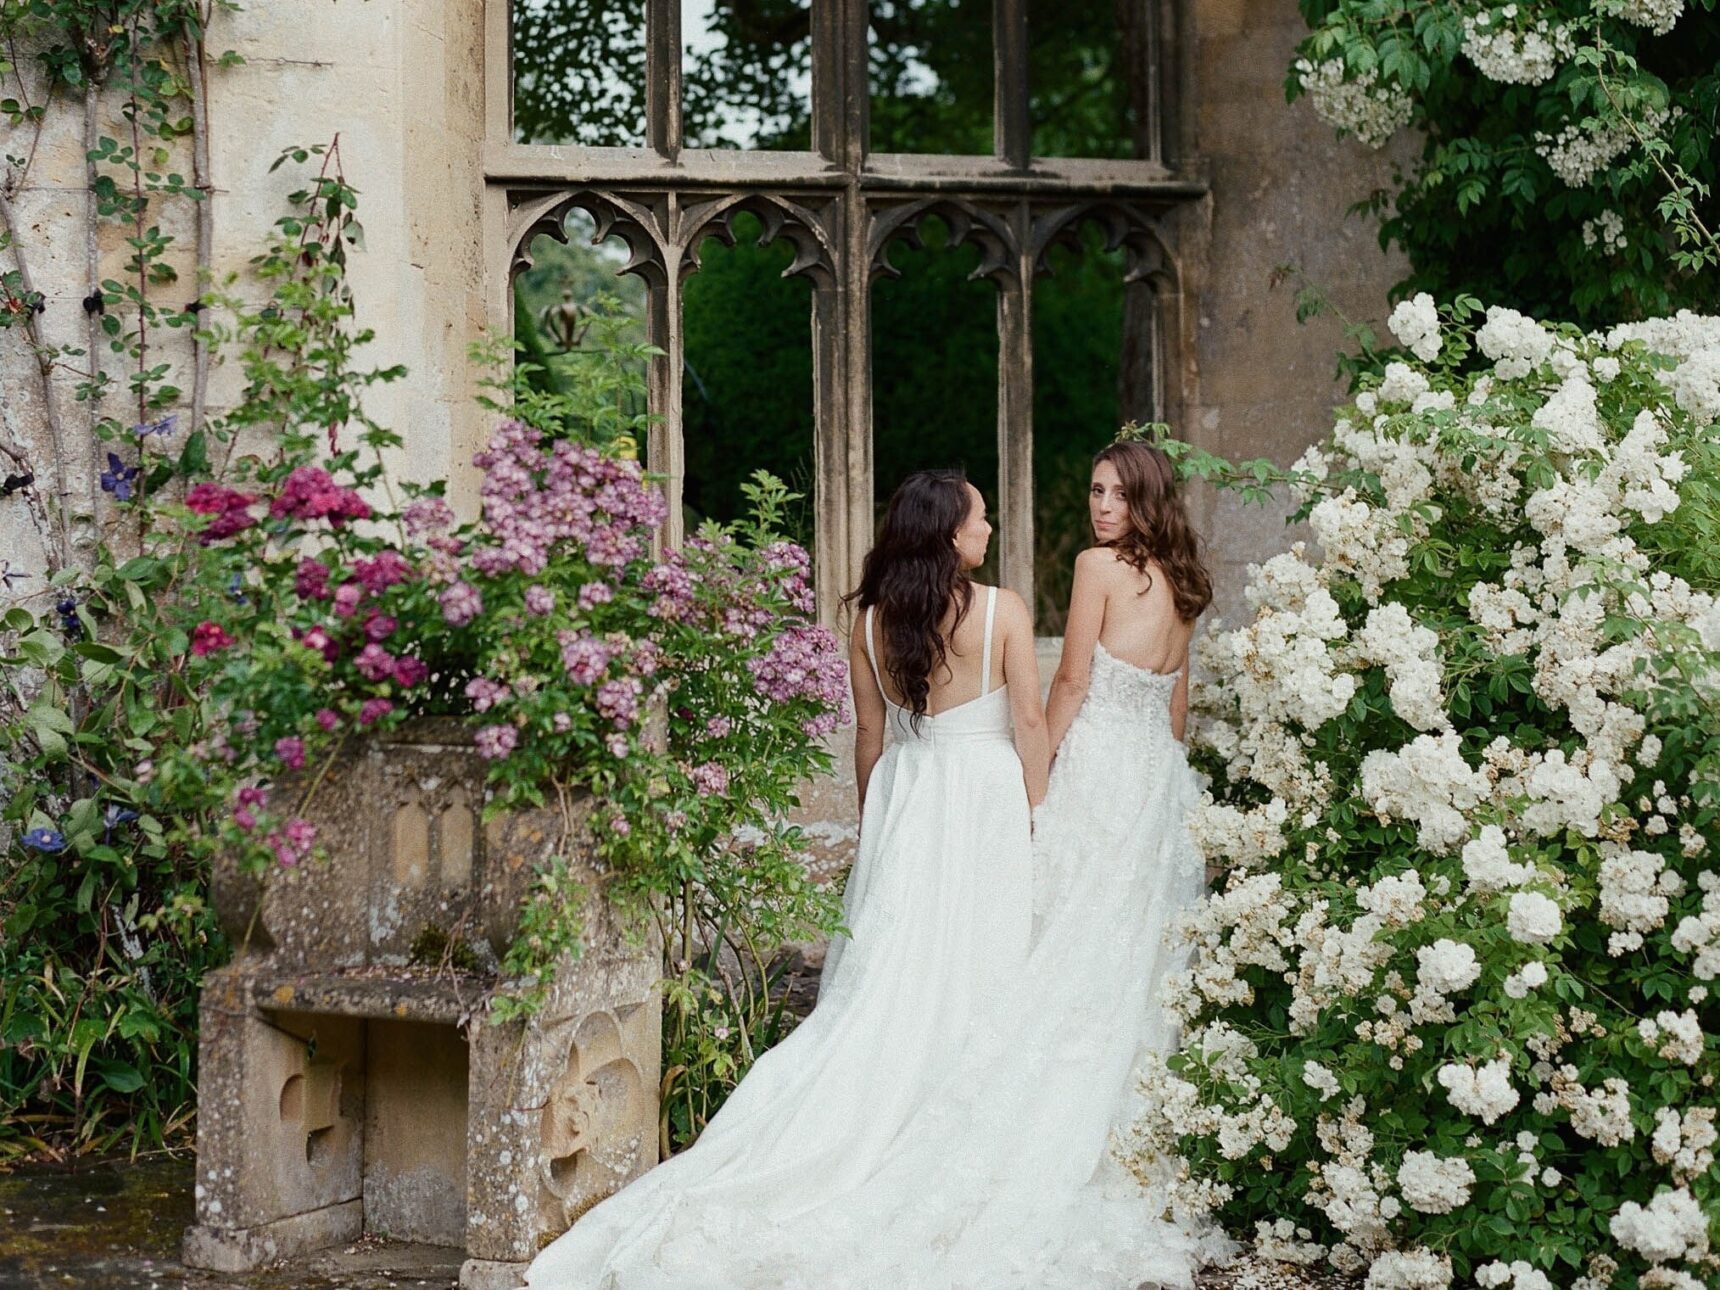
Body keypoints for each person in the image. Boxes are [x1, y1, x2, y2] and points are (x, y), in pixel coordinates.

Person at [525, 469, 1048, 1289]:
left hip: (911, 804)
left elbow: (869, 745)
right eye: (981, 518)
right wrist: (1040, 818)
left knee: (893, 986)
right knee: (981, 966)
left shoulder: (873, 620)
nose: (989, 530)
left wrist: (884, 838)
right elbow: (1026, 725)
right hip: (984, 803)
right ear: (951, 532)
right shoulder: (1006, 610)